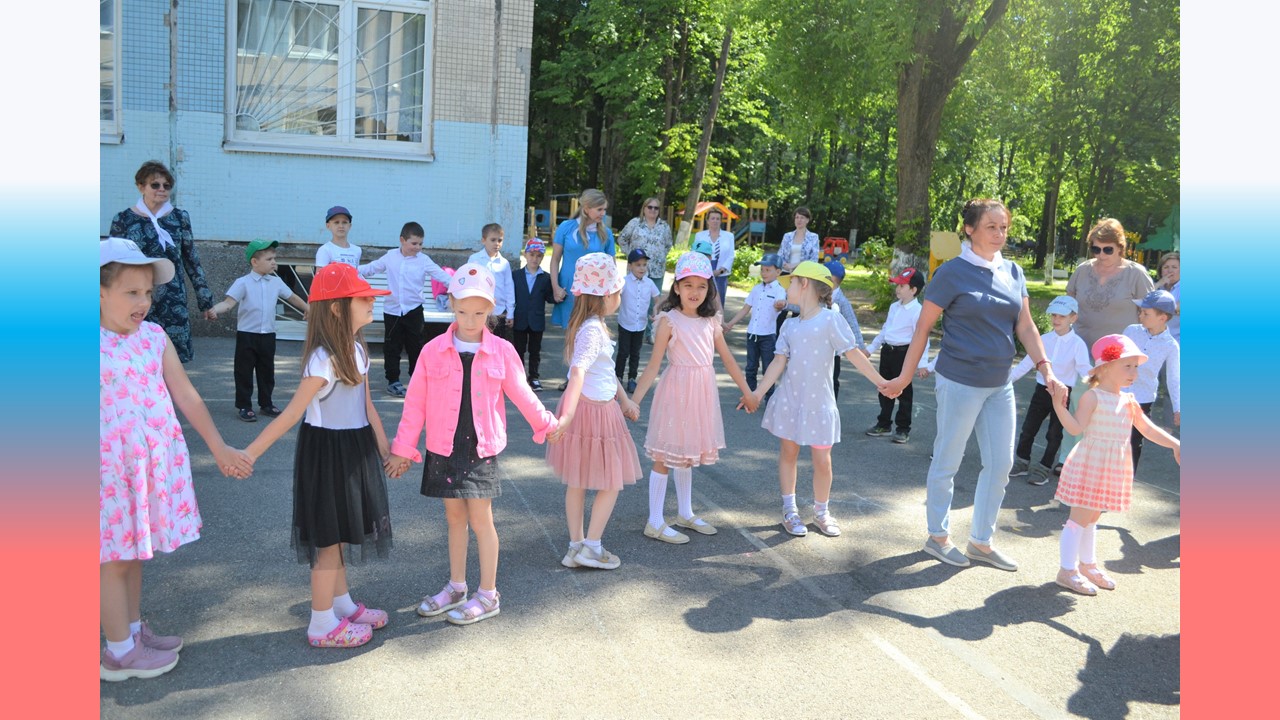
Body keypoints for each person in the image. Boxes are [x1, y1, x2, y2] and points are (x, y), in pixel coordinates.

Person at [881, 198, 1065, 571]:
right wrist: (904, 376)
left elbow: (1026, 325)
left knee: (1000, 464)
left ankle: (981, 541)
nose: (999, 234)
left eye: (1004, 227)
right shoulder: (951, 273)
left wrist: (1046, 368)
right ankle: (937, 537)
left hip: (1000, 384)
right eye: (991, 227)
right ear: (970, 229)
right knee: (948, 459)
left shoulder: (1013, 271)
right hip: (960, 381)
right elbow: (923, 328)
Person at [99, 238, 252, 681]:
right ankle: (118, 653)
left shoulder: (153, 336)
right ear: (98, 293)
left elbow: (185, 394)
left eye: (148, 292)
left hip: (147, 466)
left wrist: (220, 447)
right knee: (112, 559)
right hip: (108, 473)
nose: (143, 302)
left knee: (133, 553)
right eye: (131, 292)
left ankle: (131, 631)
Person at [385, 263, 558, 626]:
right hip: (443, 446)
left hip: (480, 449)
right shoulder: (432, 351)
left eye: (479, 313)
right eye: (463, 311)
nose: (470, 320)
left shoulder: (502, 351)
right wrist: (403, 448)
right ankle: (456, 586)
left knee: (481, 519)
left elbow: (522, 394)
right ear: (451, 303)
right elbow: (415, 403)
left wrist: (546, 424)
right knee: (453, 518)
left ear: (490, 310)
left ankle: (488, 594)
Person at [244, 263, 395, 649]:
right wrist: (249, 453)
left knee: (340, 533)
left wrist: (386, 449)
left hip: (354, 449)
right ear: (336, 308)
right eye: (363, 298)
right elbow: (292, 414)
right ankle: (321, 623)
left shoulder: (357, 350)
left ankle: (342, 605)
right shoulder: (323, 359)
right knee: (327, 541)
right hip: (327, 455)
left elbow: (367, 407)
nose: (371, 302)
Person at [751, 262, 888, 538]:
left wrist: (881, 382)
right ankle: (789, 510)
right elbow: (778, 362)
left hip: (820, 404)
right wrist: (757, 393)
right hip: (791, 400)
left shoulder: (830, 319)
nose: (786, 287)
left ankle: (822, 512)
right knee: (788, 454)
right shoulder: (789, 324)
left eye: (791, 282)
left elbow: (853, 353)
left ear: (804, 284)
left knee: (823, 460)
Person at [631, 252, 758, 544]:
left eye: (701, 286)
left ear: (709, 289)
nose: (694, 292)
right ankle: (654, 521)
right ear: (676, 287)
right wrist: (633, 401)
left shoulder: (711, 321)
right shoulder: (669, 320)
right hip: (676, 391)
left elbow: (728, 360)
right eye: (688, 285)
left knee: (686, 454)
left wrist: (748, 392)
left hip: (701, 392)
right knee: (664, 454)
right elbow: (653, 366)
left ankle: (685, 513)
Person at [1050, 334, 1181, 595]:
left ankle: (1088, 565)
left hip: (1110, 467)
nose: (1134, 372)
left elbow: (1148, 429)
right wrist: (1058, 405)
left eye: (1136, 367)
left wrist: (1175, 444)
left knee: (1092, 517)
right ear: (1106, 367)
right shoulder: (1093, 397)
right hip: (1090, 465)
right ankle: (1067, 570)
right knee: (1079, 518)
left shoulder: (1128, 400)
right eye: (1127, 366)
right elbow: (1075, 428)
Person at [546, 253, 645, 569]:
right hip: (593, 413)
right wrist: (567, 416)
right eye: (618, 292)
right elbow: (578, 372)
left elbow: (604, 371)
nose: (620, 297)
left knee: (577, 481)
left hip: (594, 409)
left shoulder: (592, 326)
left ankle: (576, 547)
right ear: (605, 296)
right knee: (610, 483)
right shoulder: (592, 331)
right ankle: (591, 546)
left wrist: (624, 400)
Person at [1058, 218, 1154, 470]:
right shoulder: (1083, 270)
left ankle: (1098, 463)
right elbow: (1067, 305)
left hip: (1116, 357)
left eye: (1107, 249)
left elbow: (1150, 313)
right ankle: (1068, 459)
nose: (1101, 255)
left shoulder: (1136, 274)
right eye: (1096, 248)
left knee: (1108, 412)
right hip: (1081, 350)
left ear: (1120, 248)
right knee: (1077, 402)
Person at [109, 160, 214, 363]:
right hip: (136, 297)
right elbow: (114, 264)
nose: (162, 189)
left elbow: (191, 259)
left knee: (172, 360)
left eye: (167, 186)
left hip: (173, 297)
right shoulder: (123, 219)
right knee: (138, 358)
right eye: (155, 185)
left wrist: (205, 301)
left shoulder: (179, 217)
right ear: (141, 186)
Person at [207, 239, 309, 422]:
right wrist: (215, 310)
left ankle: (266, 404)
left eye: (274, 258)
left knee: (267, 371)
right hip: (247, 335)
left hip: (268, 335)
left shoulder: (276, 282)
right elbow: (228, 303)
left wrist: (308, 308)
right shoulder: (243, 283)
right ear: (254, 262)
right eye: (269, 259)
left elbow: (292, 297)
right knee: (243, 371)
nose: (274, 263)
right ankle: (244, 406)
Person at [358, 222, 454, 397]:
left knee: (416, 347)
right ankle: (393, 381)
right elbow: (370, 269)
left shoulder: (423, 260)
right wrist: (350, 271)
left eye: (420, 244)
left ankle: (417, 381)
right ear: (402, 240)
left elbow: (442, 276)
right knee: (392, 347)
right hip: (392, 311)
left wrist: (460, 286)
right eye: (414, 243)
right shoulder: (390, 257)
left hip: (414, 311)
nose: (417, 247)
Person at [1007, 296, 1092, 485]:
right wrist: (1006, 381)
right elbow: (1027, 363)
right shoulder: (1043, 339)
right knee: (1029, 428)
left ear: (1073, 318)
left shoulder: (1077, 344)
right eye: (1054, 315)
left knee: (1054, 433)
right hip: (1042, 391)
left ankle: (1044, 467)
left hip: (1063, 394)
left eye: (1062, 316)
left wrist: (1099, 383)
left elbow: (1084, 368)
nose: (1056, 319)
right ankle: (1022, 461)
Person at [863, 267, 928, 442]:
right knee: (884, 387)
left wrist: (922, 363)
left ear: (913, 290)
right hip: (887, 351)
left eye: (902, 286)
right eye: (897, 285)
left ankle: (903, 428)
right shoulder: (894, 307)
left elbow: (922, 338)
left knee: (904, 392)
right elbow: (885, 330)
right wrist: (870, 349)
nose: (897, 289)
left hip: (904, 354)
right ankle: (884, 423)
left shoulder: (918, 311)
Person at [1123, 290, 1181, 471]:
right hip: (1118, 394)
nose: (1140, 315)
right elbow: (1114, 358)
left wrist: (1178, 407)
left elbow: (1174, 378)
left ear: (1162, 318)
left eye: (1146, 313)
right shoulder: (1131, 331)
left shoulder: (1170, 346)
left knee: (1134, 442)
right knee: (1111, 438)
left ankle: (1127, 480)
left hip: (1142, 399)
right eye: (1141, 311)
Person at [723, 253, 788, 401]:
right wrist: (730, 324)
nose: (764, 273)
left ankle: (769, 400)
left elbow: (781, 303)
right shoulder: (756, 289)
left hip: (768, 336)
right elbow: (745, 309)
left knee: (768, 369)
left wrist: (781, 304)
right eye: (762, 270)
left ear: (778, 272)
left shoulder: (779, 290)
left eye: (768, 270)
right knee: (750, 367)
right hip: (752, 334)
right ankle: (749, 397)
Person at [550, 189, 614, 328]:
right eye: (599, 209)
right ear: (586, 208)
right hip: (569, 290)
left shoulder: (606, 234)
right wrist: (555, 287)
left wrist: (610, 294)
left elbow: (612, 266)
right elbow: (555, 259)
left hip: (595, 294)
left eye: (604, 209)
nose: (603, 213)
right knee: (570, 334)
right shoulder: (566, 227)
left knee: (590, 332)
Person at [617, 196, 674, 342]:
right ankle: (630, 330)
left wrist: (659, 257)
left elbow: (668, 244)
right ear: (644, 208)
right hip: (636, 270)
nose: (653, 210)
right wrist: (631, 255)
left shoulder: (664, 226)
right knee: (634, 300)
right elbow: (622, 238)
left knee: (654, 303)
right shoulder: (635, 223)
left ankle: (650, 333)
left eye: (656, 208)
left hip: (656, 270)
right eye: (650, 207)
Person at [616, 249, 662, 393]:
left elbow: (657, 300)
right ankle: (617, 378)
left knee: (635, 353)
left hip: (640, 325)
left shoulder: (649, 283)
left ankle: (632, 379)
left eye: (644, 265)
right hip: (625, 323)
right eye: (638, 265)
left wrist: (655, 310)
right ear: (630, 266)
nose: (642, 268)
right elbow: (615, 297)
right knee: (623, 352)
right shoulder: (623, 282)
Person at [512, 239, 554, 390]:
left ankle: (534, 377)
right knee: (519, 349)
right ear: (525, 255)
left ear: (542, 257)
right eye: (531, 255)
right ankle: (519, 377)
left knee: (535, 350)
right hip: (520, 318)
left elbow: (550, 297)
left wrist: (559, 294)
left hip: (536, 320)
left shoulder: (546, 278)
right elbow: (510, 296)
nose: (534, 259)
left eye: (538, 256)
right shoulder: (515, 275)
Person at [825, 262, 869, 403]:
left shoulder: (841, 301)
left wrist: (861, 346)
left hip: (834, 351)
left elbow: (852, 323)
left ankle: (832, 406)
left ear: (832, 279)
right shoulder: (818, 295)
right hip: (818, 347)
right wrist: (785, 304)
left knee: (832, 380)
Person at [469, 223, 517, 341]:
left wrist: (510, 312)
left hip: (499, 311)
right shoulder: (474, 260)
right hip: (479, 310)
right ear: (483, 240)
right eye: (493, 240)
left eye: (500, 240)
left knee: (497, 342)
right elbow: (469, 284)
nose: (497, 243)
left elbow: (509, 288)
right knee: (480, 341)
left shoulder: (504, 263)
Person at [694, 208, 735, 305]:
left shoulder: (729, 236)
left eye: (718, 219)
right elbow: (696, 254)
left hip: (721, 273)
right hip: (703, 272)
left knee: (718, 301)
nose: (715, 221)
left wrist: (720, 271)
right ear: (707, 220)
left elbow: (731, 256)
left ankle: (718, 316)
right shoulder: (700, 236)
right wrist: (705, 270)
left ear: (721, 221)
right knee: (703, 299)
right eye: (712, 218)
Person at [778, 206, 820, 272]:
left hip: (804, 273)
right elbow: (779, 256)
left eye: (802, 217)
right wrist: (786, 266)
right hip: (785, 272)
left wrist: (795, 265)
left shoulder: (813, 237)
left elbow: (814, 259)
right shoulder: (787, 236)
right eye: (797, 217)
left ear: (807, 220)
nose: (799, 220)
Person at [1153, 252, 1180, 342]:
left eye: (1174, 267)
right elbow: (1144, 302)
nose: (1170, 271)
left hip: (1176, 339)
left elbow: (1177, 307)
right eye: (1166, 267)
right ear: (1161, 271)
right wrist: (1159, 284)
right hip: (1154, 339)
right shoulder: (1156, 287)